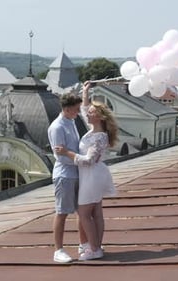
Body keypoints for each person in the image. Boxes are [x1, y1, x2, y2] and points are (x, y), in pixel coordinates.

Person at [54, 80, 118, 261]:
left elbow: (89, 160)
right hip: (93, 176)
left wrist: (68, 153)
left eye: (91, 112)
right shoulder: (95, 130)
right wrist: (85, 92)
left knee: (84, 214)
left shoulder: (98, 137)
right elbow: (83, 109)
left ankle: (95, 248)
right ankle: (95, 245)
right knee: (96, 212)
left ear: (99, 117)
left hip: (91, 177)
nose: (86, 112)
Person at [47, 92, 85, 263]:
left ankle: (83, 244)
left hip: (75, 173)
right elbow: (60, 156)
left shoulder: (70, 121)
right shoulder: (57, 127)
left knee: (81, 211)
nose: (78, 112)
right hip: (65, 175)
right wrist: (80, 159)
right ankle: (58, 250)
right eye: (76, 109)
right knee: (62, 212)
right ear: (68, 109)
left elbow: (68, 150)